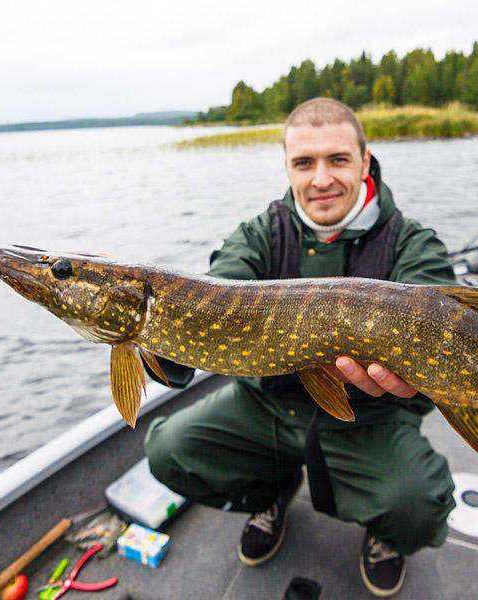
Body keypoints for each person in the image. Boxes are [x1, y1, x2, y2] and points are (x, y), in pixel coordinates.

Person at [144, 97, 456, 598]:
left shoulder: (413, 243)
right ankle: (273, 491)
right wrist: (153, 332)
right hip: (266, 405)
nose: (321, 179)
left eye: (337, 159)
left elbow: (444, 321)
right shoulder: (261, 233)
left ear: (365, 158)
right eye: (304, 163)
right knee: (168, 450)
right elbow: (217, 288)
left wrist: (415, 380)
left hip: (368, 417)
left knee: (416, 507)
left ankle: (386, 534)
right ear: (288, 167)